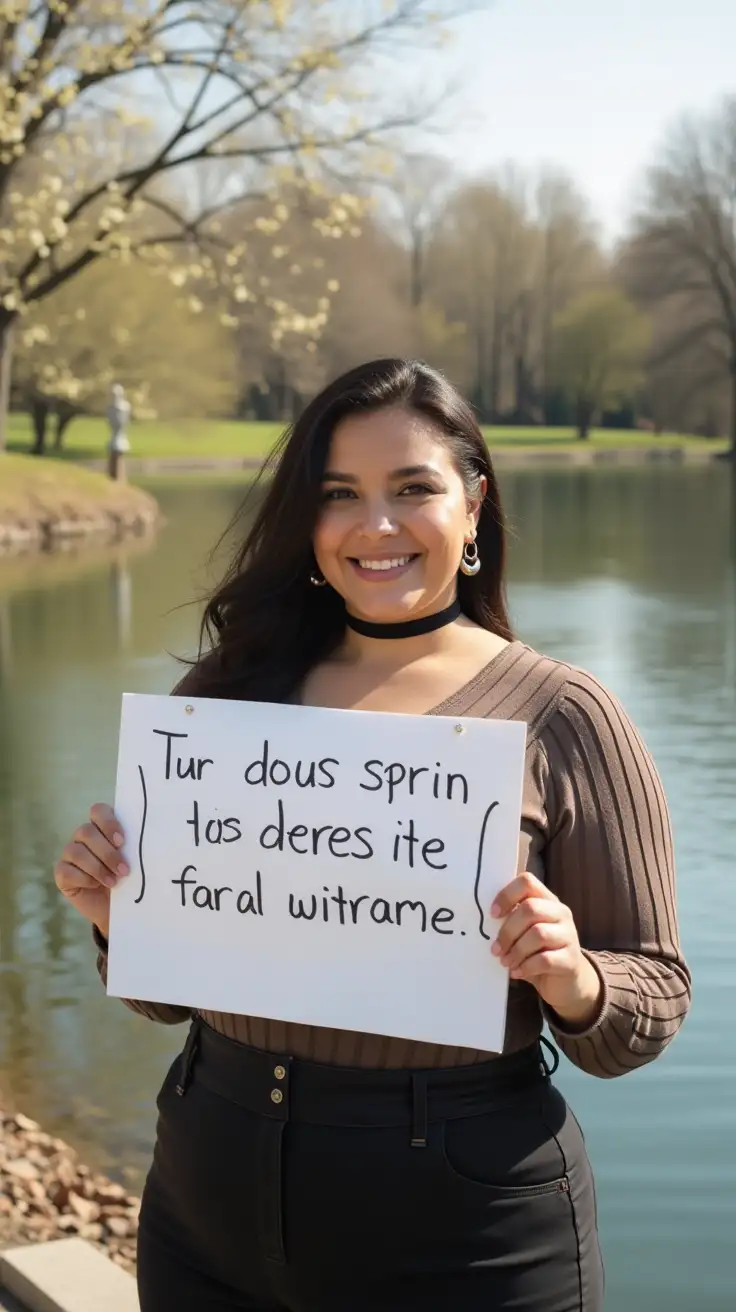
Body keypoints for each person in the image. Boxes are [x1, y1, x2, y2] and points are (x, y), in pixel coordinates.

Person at [53, 359, 691, 1312]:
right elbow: (167, 1003)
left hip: (464, 1225)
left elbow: (653, 997)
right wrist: (119, 922)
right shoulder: (225, 700)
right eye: (339, 493)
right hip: (209, 1198)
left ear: (473, 504)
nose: (375, 525)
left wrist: (572, 975)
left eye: (413, 489)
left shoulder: (563, 715)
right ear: (305, 521)